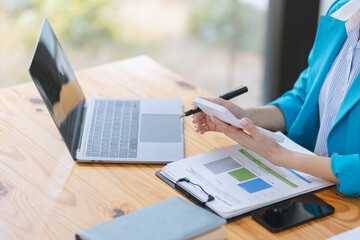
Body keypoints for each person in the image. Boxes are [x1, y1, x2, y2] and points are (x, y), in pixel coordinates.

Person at [192, 0, 360, 197]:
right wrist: (245, 117)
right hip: (309, 185)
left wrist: (280, 156)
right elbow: (306, 98)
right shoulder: (342, 11)